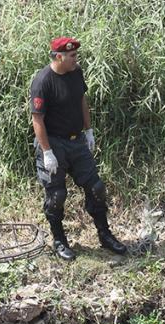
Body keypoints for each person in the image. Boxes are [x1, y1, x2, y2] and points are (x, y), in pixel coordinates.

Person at [29, 36, 127, 261]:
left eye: (76, 55)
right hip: (53, 144)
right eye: (72, 56)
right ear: (59, 57)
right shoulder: (43, 81)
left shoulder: (75, 72)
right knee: (57, 196)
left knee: (96, 188)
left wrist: (89, 130)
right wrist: (47, 152)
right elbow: (37, 120)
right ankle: (59, 241)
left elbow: (81, 100)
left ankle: (105, 235)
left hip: (77, 141)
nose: (76, 59)